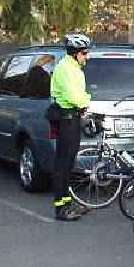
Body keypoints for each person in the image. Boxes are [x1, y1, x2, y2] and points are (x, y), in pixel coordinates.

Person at [50, 33, 92, 221]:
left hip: (72, 118)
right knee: (63, 163)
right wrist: (86, 103)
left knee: (69, 163)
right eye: (84, 53)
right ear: (75, 53)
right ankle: (61, 208)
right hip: (66, 118)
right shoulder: (66, 69)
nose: (87, 56)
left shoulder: (74, 68)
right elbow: (73, 96)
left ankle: (67, 202)